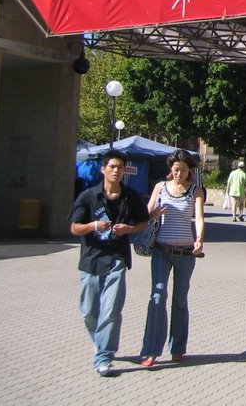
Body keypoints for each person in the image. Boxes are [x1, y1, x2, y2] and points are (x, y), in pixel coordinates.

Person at [68, 148, 150, 376]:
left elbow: (143, 222)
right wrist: (94, 226)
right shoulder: (88, 196)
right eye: (112, 167)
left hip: (117, 258)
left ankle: (104, 356)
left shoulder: (131, 197)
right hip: (91, 259)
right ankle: (100, 342)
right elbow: (74, 228)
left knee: (111, 310)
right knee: (88, 311)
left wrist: (129, 229)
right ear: (103, 170)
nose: (116, 171)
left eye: (120, 167)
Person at [140, 149, 206, 367]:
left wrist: (199, 239)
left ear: (190, 171)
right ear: (171, 169)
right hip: (161, 250)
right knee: (157, 298)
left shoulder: (195, 191)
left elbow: (198, 217)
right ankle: (150, 350)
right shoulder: (160, 188)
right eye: (176, 170)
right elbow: (146, 213)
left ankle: (177, 346)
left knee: (180, 299)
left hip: (185, 253)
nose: (179, 174)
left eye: (184, 171)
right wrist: (154, 213)